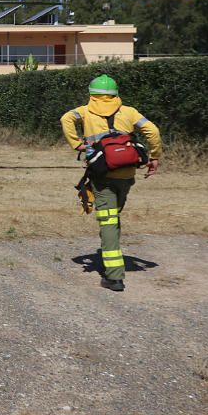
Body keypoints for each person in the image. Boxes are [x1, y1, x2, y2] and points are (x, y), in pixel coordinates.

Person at [60, 74, 162, 292]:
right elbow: (152, 131)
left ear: (91, 94)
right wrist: (154, 156)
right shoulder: (130, 112)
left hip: (102, 174)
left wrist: (77, 144)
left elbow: (66, 118)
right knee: (113, 216)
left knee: (108, 221)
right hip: (126, 175)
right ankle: (111, 246)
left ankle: (114, 277)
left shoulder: (84, 111)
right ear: (116, 93)